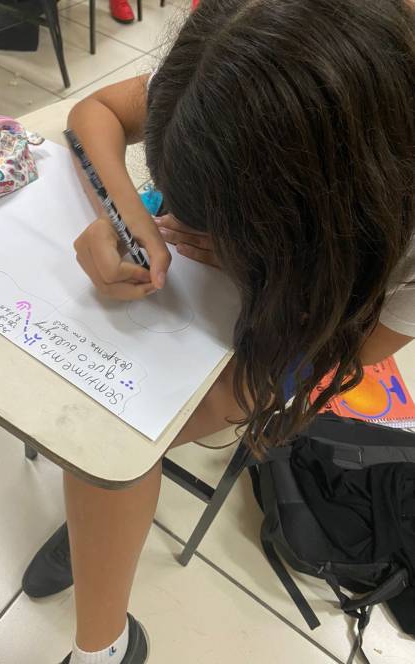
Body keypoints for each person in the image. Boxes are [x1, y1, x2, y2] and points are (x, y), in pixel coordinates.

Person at [21, 1, 415, 662]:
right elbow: (97, 113)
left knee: (123, 439)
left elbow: (352, 350)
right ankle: (104, 535)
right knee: (106, 436)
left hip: (309, 322)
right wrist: (126, 216)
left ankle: (102, 632)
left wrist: (264, 286)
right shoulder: (248, 68)